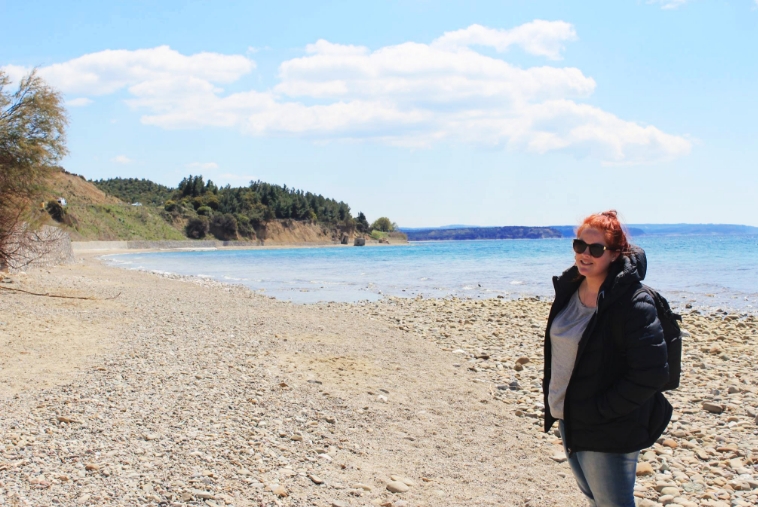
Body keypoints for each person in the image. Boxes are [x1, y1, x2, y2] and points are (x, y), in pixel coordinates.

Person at [542, 210, 672, 507]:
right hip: (570, 418)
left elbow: (651, 374)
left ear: (614, 255)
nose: (585, 255)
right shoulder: (570, 288)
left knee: (613, 503)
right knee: (594, 498)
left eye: (596, 249)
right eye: (579, 246)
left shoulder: (633, 302)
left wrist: (599, 411)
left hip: (609, 425)